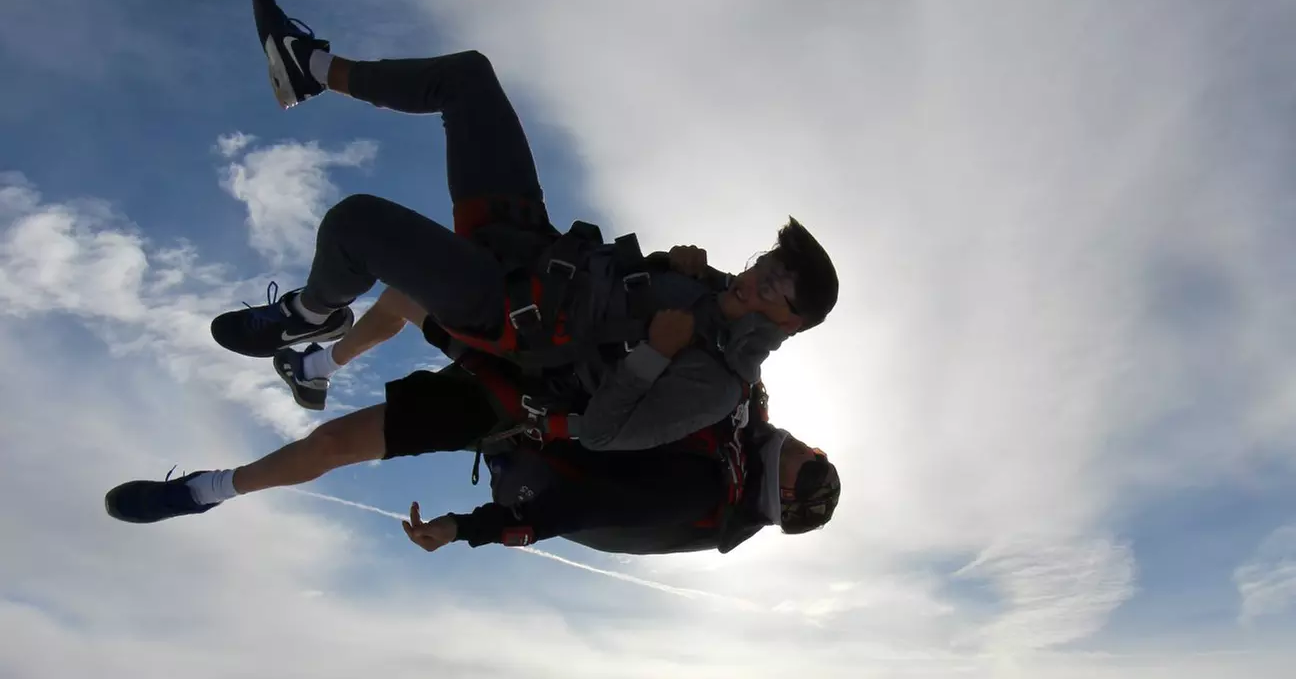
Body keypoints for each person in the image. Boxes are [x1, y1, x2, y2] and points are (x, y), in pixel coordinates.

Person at [213, 0, 839, 453]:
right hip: (533, 247)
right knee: (469, 78)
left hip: (513, 315)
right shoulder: (706, 285)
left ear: (792, 318)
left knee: (355, 226)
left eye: (779, 284)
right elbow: (622, 293)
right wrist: (662, 265)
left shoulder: (721, 381)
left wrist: (652, 352)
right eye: (770, 262)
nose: (761, 276)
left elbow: (602, 433)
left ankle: (308, 316)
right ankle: (308, 69)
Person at [104, 323, 840, 555]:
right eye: (820, 458)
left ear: (779, 495)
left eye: (810, 470)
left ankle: (205, 491)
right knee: (431, 286)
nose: (810, 450)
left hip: (518, 420)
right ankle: (315, 355)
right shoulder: (750, 421)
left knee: (336, 444)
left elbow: (575, 513)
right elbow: (732, 351)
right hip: (557, 368)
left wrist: (464, 528)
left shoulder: (702, 487)